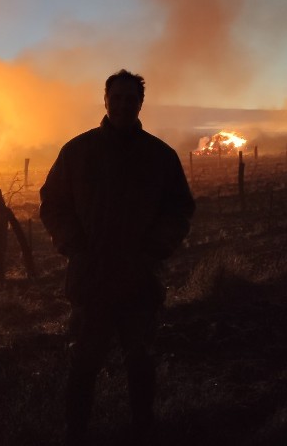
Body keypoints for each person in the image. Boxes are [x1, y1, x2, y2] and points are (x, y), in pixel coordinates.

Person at [40, 69, 195, 445]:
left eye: (132, 99)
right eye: (118, 98)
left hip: (139, 280)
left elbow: (179, 209)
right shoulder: (77, 152)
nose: (125, 104)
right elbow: (54, 205)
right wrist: (76, 249)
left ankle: (143, 430)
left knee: (140, 359)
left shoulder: (159, 157)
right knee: (84, 362)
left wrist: (153, 253)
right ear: (105, 101)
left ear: (141, 104)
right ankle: (76, 434)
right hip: (91, 279)